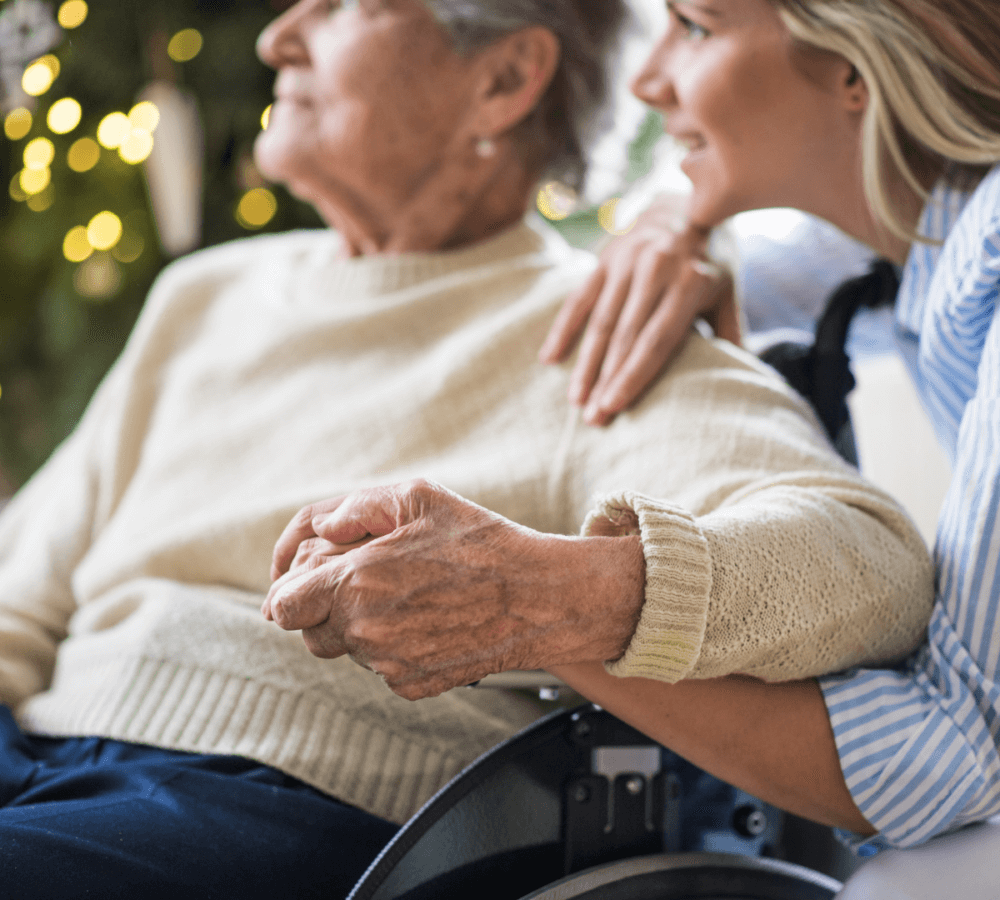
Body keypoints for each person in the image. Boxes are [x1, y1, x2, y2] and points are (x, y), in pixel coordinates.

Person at [0, 1, 933, 896]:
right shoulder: (203, 297)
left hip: (275, 802)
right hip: (37, 754)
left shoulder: (600, 333)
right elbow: (18, 597)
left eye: (348, 5)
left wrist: (544, 593)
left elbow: (870, 565)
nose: (282, 36)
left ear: (505, 78)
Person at [535, 0, 1000, 854]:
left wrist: (538, 609)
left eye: (696, 27)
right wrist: (690, 225)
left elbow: (961, 752)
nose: (647, 79)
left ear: (854, 68)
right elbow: (722, 259)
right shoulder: (921, 230)